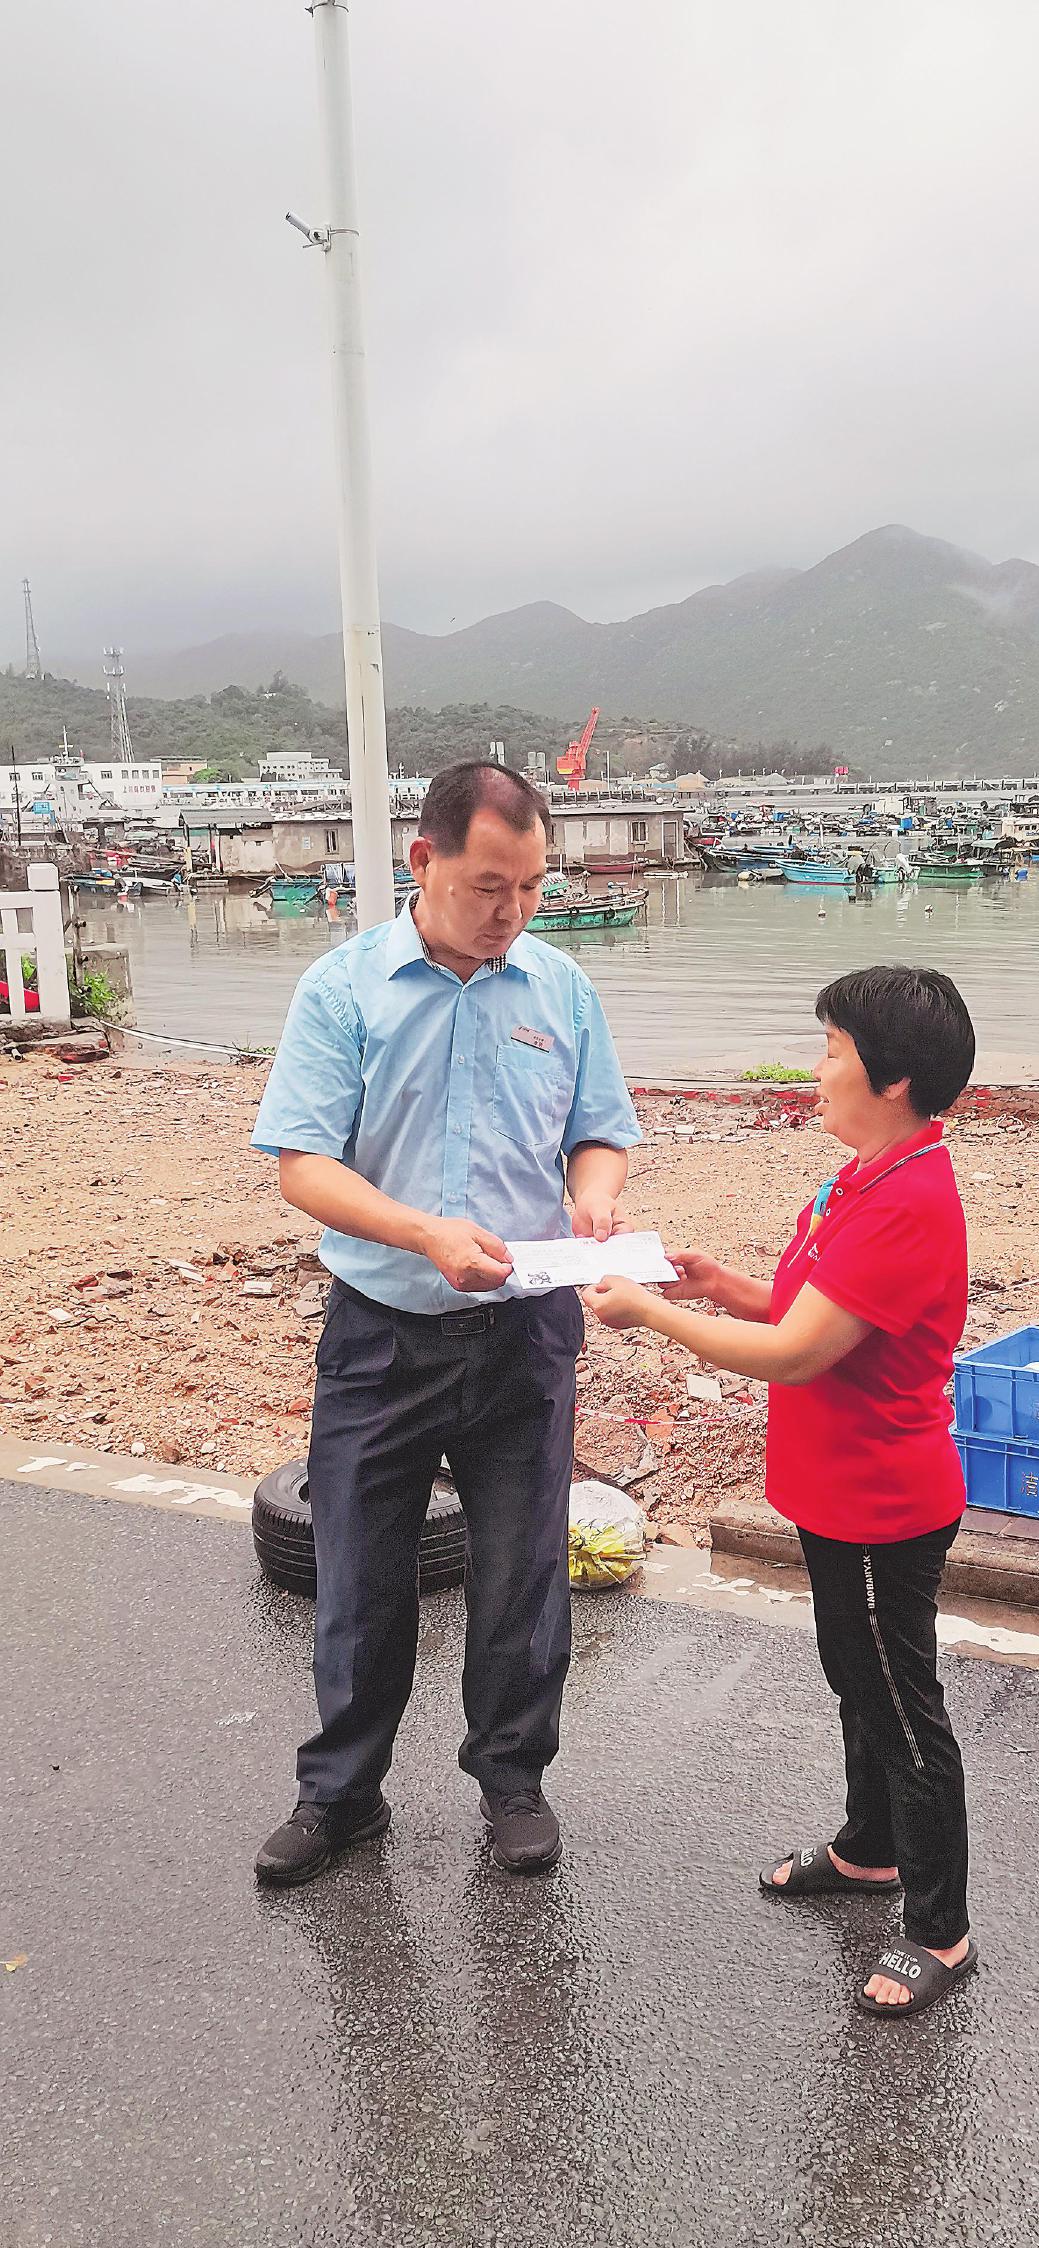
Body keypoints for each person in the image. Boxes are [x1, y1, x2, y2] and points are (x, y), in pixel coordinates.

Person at [250, 761, 640, 1889]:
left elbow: (599, 1130)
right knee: (359, 1570)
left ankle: (512, 1779)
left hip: (527, 1326)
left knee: (522, 1569)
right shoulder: (343, 990)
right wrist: (423, 1233)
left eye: (531, 886)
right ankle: (342, 1793)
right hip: (383, 1329)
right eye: (488, 886)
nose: (512, 910)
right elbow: (303, 1165)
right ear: (423, 863)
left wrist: (595, 1196)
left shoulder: (560, 988)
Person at [584, 965, 977, 2022]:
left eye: (833, 1051)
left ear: (893, 1078)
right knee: (856, 1677)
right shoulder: (862, 1177)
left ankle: (940, 1929)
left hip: (884, 1501)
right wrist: (718, 1286)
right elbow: (811, 1311)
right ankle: (869, 1849)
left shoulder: (910, 1200)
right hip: (834, 1490)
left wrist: (653, 1316)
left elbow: (798, 1354)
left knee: (901, 1705)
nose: (818, 1069)